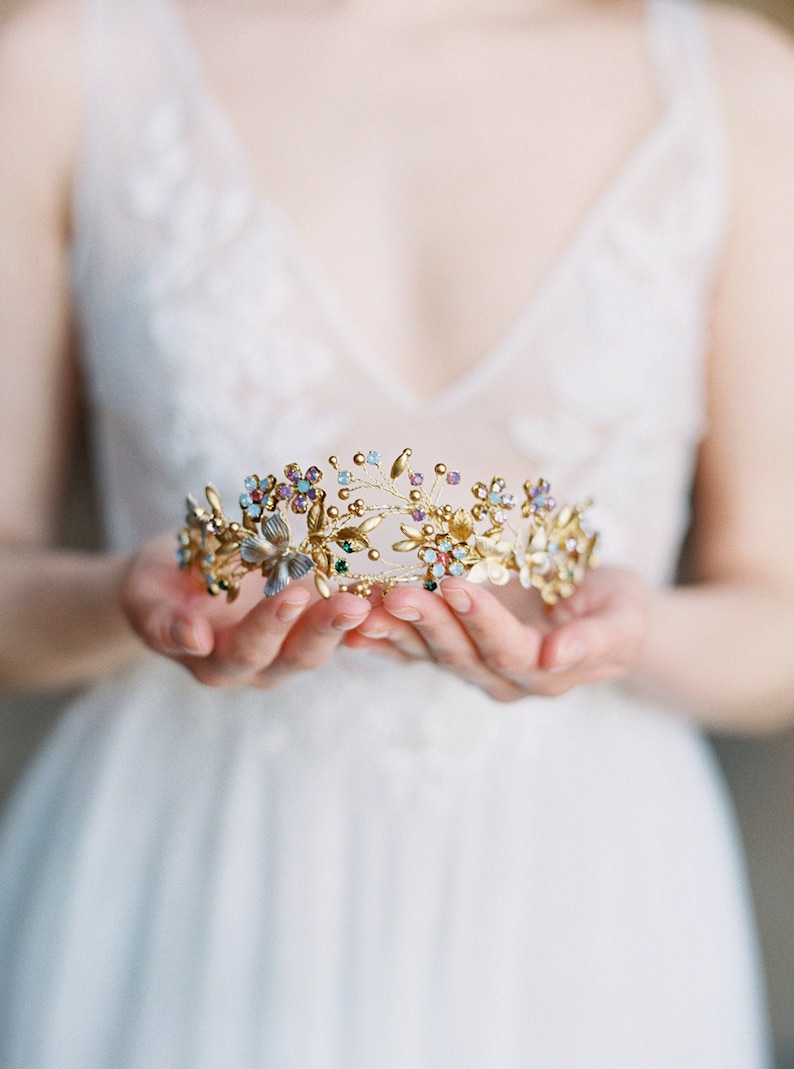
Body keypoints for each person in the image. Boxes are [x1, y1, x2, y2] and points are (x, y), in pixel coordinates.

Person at [1, 0, 793, 1063]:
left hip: (584, 893)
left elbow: (775, 618)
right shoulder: (63, 66)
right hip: (197, 863)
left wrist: (626, 631)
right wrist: (127, 598)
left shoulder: (733, 85)